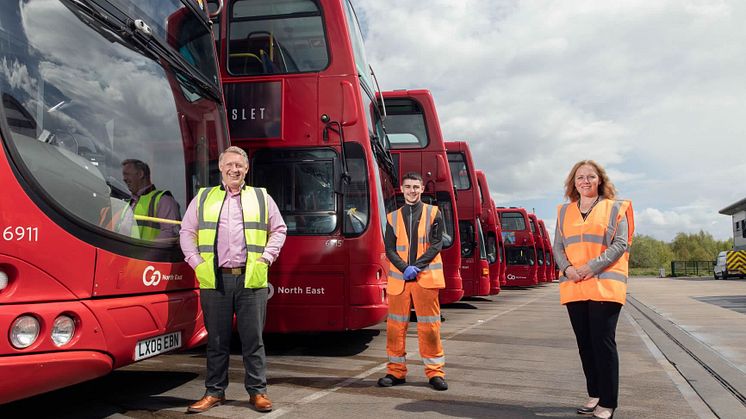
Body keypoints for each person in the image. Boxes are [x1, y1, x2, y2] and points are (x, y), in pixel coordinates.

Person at [180, 146, 287, 413]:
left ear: (247, 169)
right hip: (215, 279)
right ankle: (215, 392)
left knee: (253, 341)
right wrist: (196, 262)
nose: (234, 170)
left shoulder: (262, 198)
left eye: (239, 165)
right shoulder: (203, 198)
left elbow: (279, 229)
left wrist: (266, 258)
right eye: (229, 165)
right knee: (216, 341)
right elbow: (186, 232)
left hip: (251, 279)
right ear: (220, 168)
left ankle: (258, 392)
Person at [553, 160, 634, 419]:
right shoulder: (564, 211)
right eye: (580, 177)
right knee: (585, 344)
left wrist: (589, 267)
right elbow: (558, 246)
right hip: (575, 285)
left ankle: (608, 402)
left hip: (604, 285)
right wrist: (567, 269)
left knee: (603, 343)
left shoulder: (616, 208)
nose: (585, 181)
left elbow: (620, 244)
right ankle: (595, 394)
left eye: (590, 176)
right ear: (573, 182)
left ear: (600, 180)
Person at [377, 171, 448, 391]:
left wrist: (416, 267)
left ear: (422, 189)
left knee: (430, 328)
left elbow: (437, 244)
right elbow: (389, 248)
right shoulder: (392, 217)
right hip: (400, 280)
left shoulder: (433, 213)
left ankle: (435, 373)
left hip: (425, 277)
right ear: (402, 189)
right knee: (395, 328)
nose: (412, 191)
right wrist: (404, 268)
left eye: (416, 187)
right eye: (408, 187)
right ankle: (395, 372)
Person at [118, 159, 180, 240]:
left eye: (127, 174)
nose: (124, 179)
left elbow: (171, 234)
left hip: (148, 252)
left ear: (140, 174)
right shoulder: (128, 205)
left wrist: (147, 251)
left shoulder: (163, 200)